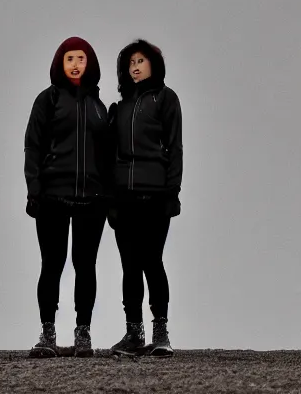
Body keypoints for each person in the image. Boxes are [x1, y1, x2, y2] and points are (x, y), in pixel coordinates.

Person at [24, 36, 110, 358]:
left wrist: (109, 197)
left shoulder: (99, 107)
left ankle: (83, 335)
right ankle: (47, 334)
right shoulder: (46, 101)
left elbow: (107, 155)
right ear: (61, 63)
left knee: (85, 265)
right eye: (70, 58)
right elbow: (32, 146)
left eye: (82, 59)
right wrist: (34, 191)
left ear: (90, 65)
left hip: (92, 200)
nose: (76, 64)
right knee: (52, 265)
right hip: (52, 199)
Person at [107, 39, 183, 357]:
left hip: (155, 195)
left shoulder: (166, 98)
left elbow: (175, 147)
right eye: (130, 63)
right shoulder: (120, 108)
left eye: (141, 61)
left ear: (153, 63)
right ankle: (133, 334)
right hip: (123, 195)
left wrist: (172, 192)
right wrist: (110, 200)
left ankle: (160, 332)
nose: (135, 67)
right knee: (130, 266)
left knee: (152, 260)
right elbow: (110, 156)